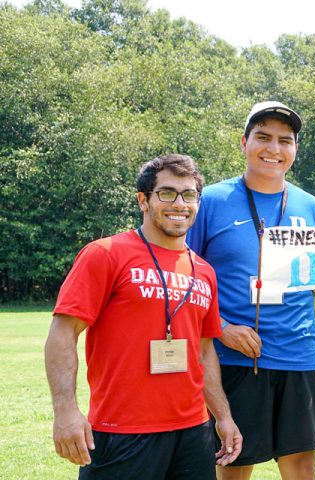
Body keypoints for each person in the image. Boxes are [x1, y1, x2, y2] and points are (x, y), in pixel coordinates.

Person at [187, 101, 315, 479]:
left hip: (299, 354)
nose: (274, 149)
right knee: (234, 463)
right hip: (236, 356)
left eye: (285, 141)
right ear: (244, 142)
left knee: (302, 467)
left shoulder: (311, 205)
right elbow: (187, 279)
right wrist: (221, 328)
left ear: (295, 150)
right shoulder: (211, 201)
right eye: (263, 137)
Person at [45, 154, 242, 479]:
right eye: (167, 193)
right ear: (144, 200)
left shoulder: (204, 272)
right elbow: (63, 333)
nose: (179, 203)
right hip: (121, 431)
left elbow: (204, 351)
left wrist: (222, 416)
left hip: (193, 432)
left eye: (189, 195)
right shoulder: (106, 254)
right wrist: (65, 411)